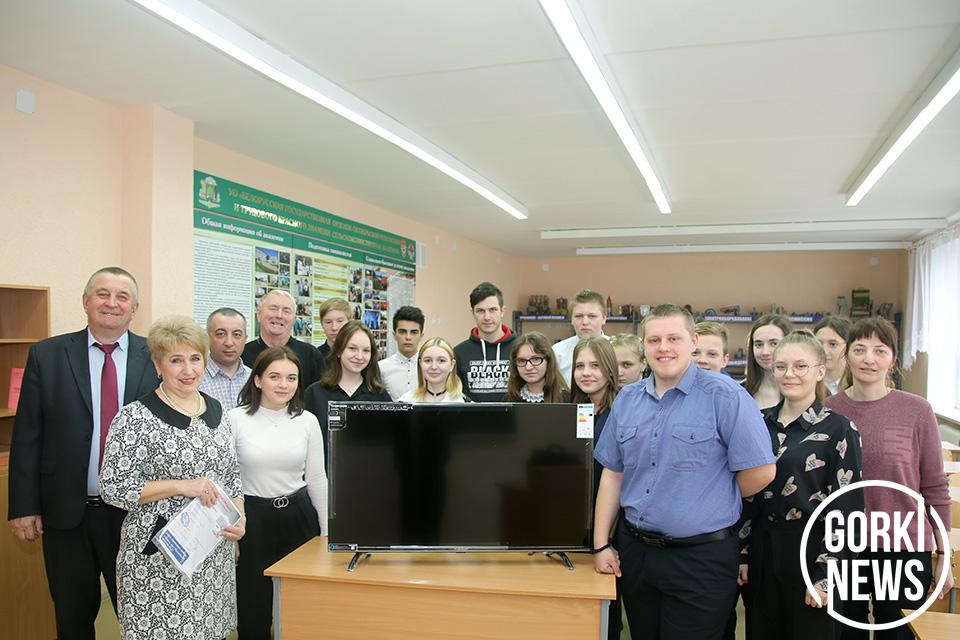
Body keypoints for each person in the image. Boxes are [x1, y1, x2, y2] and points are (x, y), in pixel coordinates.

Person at [593, 304, 776, 640]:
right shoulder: (627, 400)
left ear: (693, 342)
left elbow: (762, 471)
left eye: (673, 338)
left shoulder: (726, 397)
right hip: (637, 554)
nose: (663, 348)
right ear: (644, 346)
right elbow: (613, 474)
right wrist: (601, 544)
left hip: (701, 559)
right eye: (654, 340)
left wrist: (712, 494)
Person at [7, 266, 159, 639]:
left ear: (135, 308)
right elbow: (27, 434)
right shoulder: (47, 354)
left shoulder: (156, 356)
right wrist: (24, 506)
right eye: (103, 294)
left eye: (122, 297)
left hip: (135, 515)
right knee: (72, 619)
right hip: (67, 514)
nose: (112, 303)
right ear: (86, 301)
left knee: (144, 619)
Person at [99, 315, 245, 640]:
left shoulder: (219, 413)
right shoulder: (134, 418)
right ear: (158, 365)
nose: (188, 370)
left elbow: (233, 476)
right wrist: (181, 486)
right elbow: (112, 487)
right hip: (157, 560)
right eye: (176, 360)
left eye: (195, 359)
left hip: (211, 555)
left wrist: (240, 518)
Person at [824, 317, 954, 640]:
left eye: (880, 350)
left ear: (893, 359)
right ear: (847, 355)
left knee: (898, 635)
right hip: (844, 547)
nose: (869, 358)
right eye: (860, 349)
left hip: (903, 545)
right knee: (845, 633)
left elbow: (935, 488)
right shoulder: (828, 410)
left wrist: (944, 557)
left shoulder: (917, 411)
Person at [743, 331, 863, 639]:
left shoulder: (839, 429)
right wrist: (742, 553)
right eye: (781, 366)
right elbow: (746, 495)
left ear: (820, 371)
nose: (789, 374)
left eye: (800, 366)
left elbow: (847, 509)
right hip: (763, 547)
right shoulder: (758, 422)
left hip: (811, 548)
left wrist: (828, 574)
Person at [229, 346, 327, 639]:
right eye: (275, 376)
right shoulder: (235, 419)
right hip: (252, 519)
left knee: (301, 604)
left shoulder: (307, 420)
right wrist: (231, 531)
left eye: (291, 378)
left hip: (298, 516)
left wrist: (326, 533)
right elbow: (226, 481)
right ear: (258, 380)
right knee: (253, 605)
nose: (284, 384)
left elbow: (317, 479)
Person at [569, 335, 621, 640]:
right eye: (580, 366)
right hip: (582, 527)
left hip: (612, 531)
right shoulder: (581, 409)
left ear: (610, 369)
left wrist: (606, 538)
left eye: (595, 365)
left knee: (606, 617)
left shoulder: (621, 411)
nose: (586, 372)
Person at [304, 320, 392, 470]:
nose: (359, 356)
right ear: (339, 351)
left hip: (369, 475)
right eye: (352, 348)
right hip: (323, 477)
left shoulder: (380, 395)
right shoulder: (315, 393)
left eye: (366, 350)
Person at [242, 289, 325, 391]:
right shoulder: (242, 354)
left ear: (294, 320)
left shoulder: (311, 355)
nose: (279, 315)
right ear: (259, 315)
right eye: (273, 309)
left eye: (286, 311)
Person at [453, 282, 516, 402]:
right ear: (472, 313)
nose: (487, 317)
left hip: (514, 415)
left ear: (502, 311)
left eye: (493, 310)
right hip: (471, 415)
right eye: (480, 311)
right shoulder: (458, 353)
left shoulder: (521, 349)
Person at [201, 307, 251, 411]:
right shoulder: (194, 379)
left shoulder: (254, 379)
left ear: (245, 339)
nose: (229, 342)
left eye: (236, 334)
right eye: (221, 334)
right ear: (207, 337)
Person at [554, 289, 609, 384]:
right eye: (579, 316)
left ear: (604, 318)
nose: (585, 322)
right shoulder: (558, 352)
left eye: (592, 316)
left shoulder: (616, 349)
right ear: (571, 319)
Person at [744, 314, 793, 409]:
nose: (765, 352)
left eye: (774, 343)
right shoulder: (740, 392)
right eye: (759, 345)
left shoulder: (805, 391)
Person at [506, 332, 570, 403]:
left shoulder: (567, 399)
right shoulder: (510, 399)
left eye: (535, 359)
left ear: (548, 361)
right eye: (522, 361)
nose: (528, 367)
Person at [398, 338, 468, 403]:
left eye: (441, 360)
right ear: (420, 363)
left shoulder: (464, 404)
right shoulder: (406, 401)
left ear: (452, 365)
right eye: (428, 360)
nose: (434, 367)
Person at [379, 305, 425, 400]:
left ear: (421, 335)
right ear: (394, 335)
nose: (408, 337)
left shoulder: (430, 368)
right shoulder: (381, 368)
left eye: (414, 332)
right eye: (402, 332)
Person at [813, 315, 851, 395]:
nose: (824, 351)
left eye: (833, 344)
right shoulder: (805, 384)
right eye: (819, 343)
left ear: (849, 347)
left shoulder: (857, 385)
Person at [317, 297, 351, 363]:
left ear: (349, 321)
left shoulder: (359, 356)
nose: (334, 327)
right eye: (328, 322)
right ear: (322, 324)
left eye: (340, 321)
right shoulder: (315, 357)